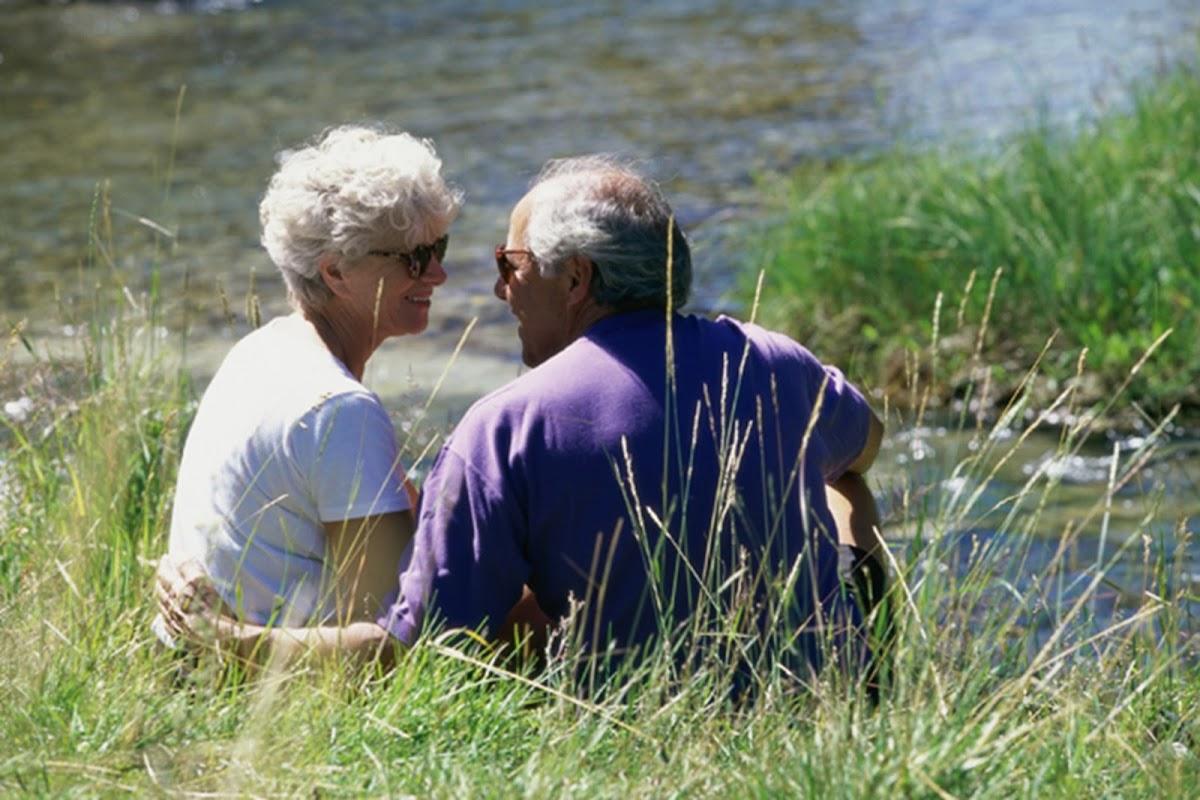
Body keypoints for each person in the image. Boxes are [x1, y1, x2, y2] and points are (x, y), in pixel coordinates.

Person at [159, 156, 886, 689]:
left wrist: (233, 640)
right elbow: (863, 449)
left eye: (510, 263)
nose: (496, 286)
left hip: (642, 733)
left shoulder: (505, 427)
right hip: (826, 709)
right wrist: (857, 565)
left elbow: (423, 648)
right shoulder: (776, 362)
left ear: (576, 281)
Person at [155, 125, 462, 644]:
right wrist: (229, 641)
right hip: (263, 696)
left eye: (441, 247)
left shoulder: (258, 352)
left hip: (198, 677)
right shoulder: (338, 408)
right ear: (336, 273)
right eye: (414, 258)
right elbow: (391, 636)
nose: (438, 275)